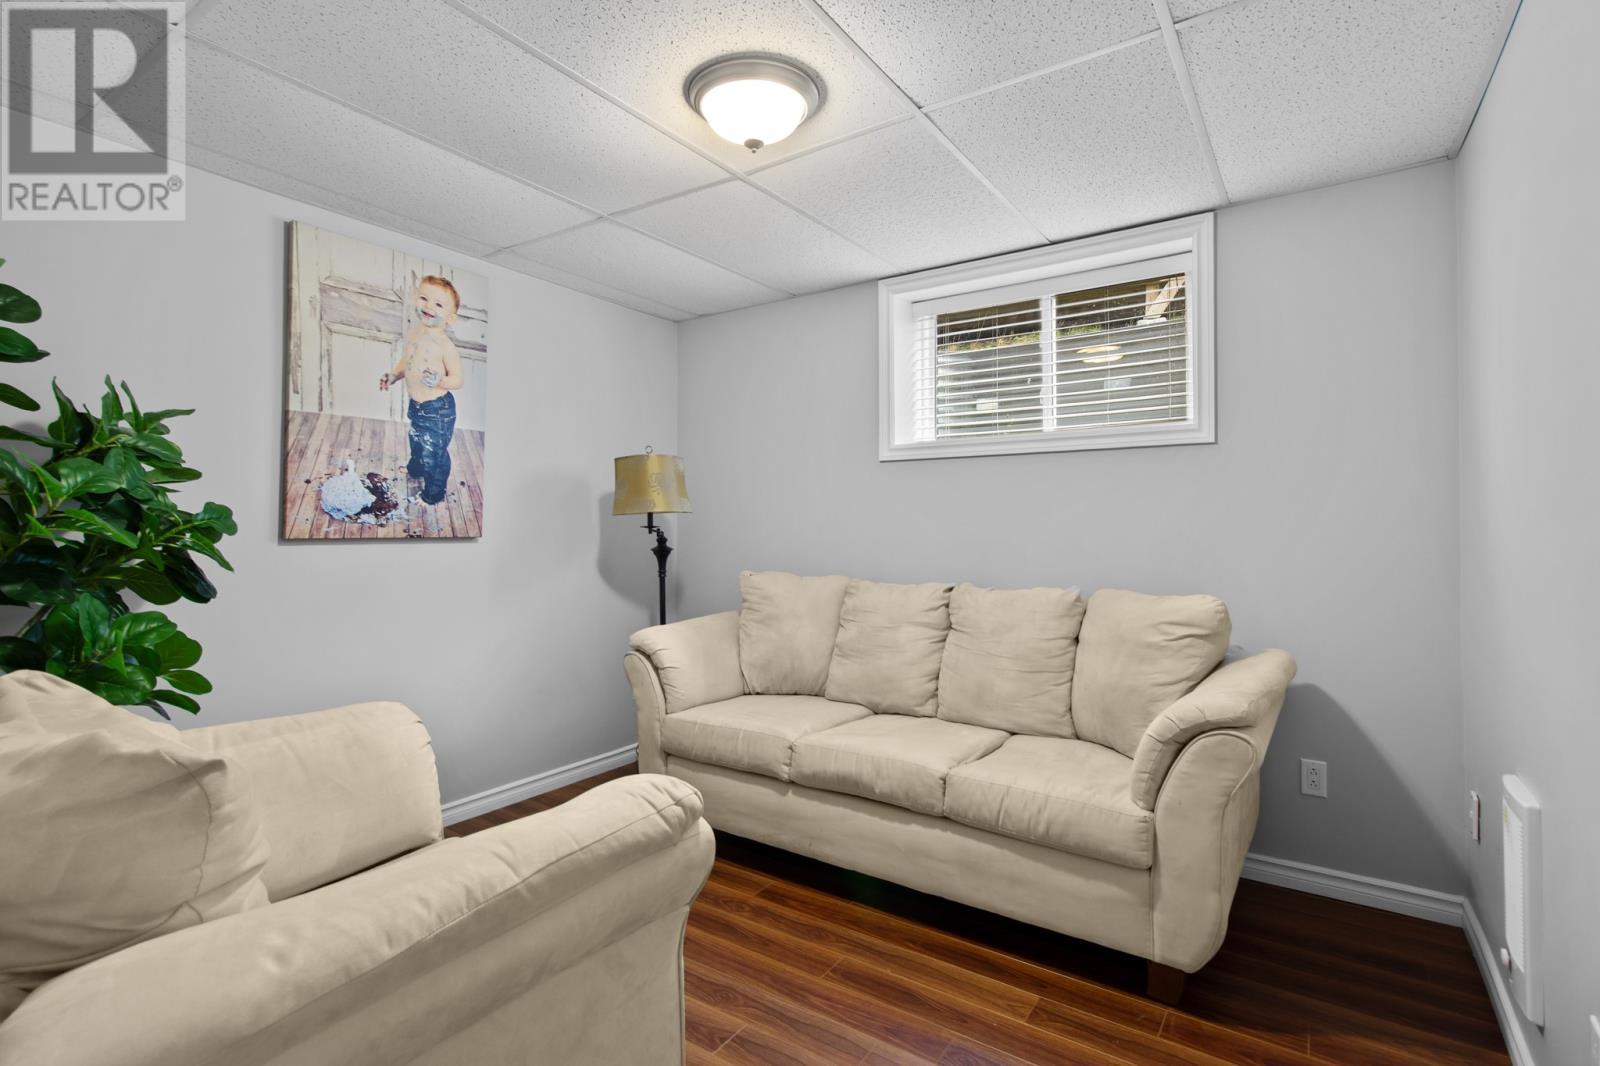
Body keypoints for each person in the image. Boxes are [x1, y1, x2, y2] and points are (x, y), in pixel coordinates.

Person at [380, 275, 464, 506]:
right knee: (416, 439)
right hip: (417, 405)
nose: (429, 306)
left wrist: (440, 380)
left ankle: (433, 494)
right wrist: (394, 375)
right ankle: (415, 469)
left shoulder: (445, 346)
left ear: (450, 318)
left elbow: (458, 380)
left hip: (437, 409)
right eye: (424, 298)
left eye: (438, 304)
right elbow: (407, 361)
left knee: (434, 453)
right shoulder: (415, 332)